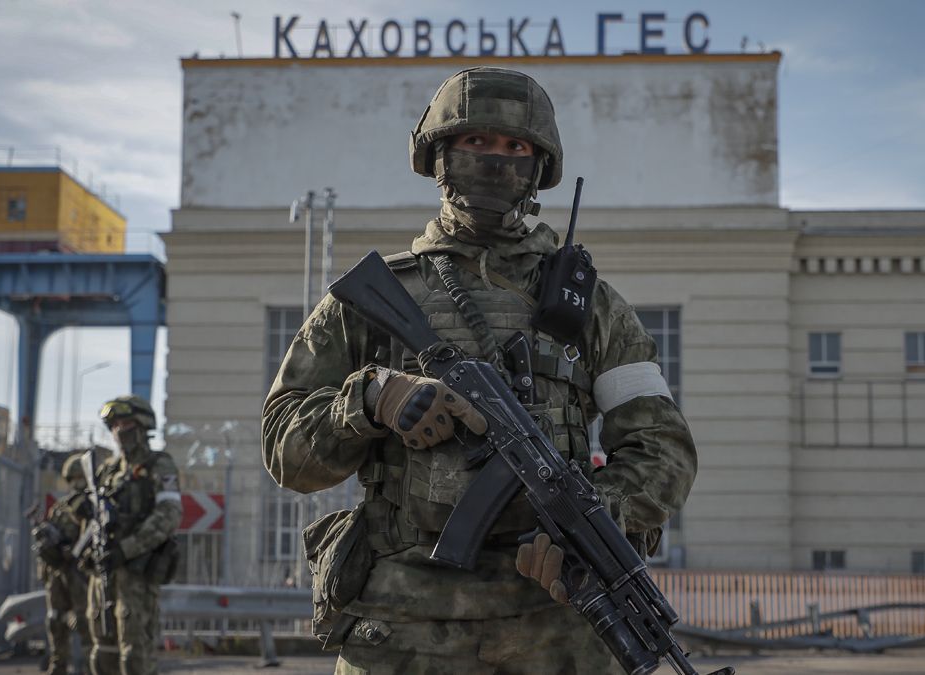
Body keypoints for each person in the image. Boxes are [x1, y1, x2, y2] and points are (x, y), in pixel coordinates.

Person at [262, 66, 697, 674]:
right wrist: (369, 401)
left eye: (515, 147)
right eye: (476, 142)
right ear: (440, 155)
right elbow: (286, 450)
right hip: (402, 624)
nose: (496, 159)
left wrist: (596, 521)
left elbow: (664, 447)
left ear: (537, 166)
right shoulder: (372, 297)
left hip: (553, 622)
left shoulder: (591, 308)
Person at [81, 395, 182, 675]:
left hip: (135, 573)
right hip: (103, 575)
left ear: (141, 426)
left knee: (135, 655)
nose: (119, 431)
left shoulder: (158, 465)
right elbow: (93, 522)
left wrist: (126, 549)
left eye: (125, 423)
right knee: (103, 652)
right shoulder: (107, 471)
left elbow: (169, 514)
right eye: (114, 425)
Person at [32, 453, 94, 675]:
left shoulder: (89, 505)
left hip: (79, 574)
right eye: (73, 478)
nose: (75, 482)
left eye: (78, 477)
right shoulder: (61, 506)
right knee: (55, 619)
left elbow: (92, 537)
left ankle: (90, 667)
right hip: (57, 574)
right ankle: (58, 665)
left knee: (84, 623)